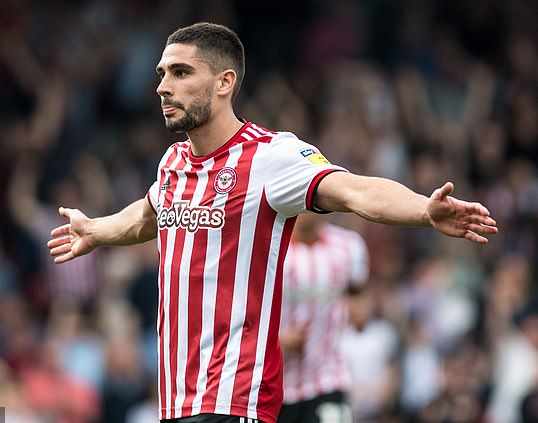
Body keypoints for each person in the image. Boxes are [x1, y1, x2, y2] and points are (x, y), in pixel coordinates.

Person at [47, 22, 498, 423]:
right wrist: (96, 230)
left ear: (225, 82)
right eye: (161, 74)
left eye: (180, 73)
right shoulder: (173, 161)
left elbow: (353, 190)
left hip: (234, 397)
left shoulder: (271, 155)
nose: (163, 86)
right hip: (178, 398)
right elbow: (148, 215)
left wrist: (423, 210)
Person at [278, 213, 370, 422]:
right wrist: (279, 340)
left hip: (328, 378)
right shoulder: (267, 247)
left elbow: (357, 292)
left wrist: (360, 312)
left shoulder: (348, 246)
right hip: (275, 385)